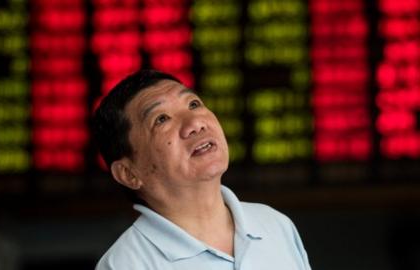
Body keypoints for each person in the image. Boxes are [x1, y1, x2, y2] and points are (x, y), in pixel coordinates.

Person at [92, 69, 312, 270]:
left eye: (194, 104)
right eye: (161, 119)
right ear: (128, 173)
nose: (195, 123)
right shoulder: (126, 264)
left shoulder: (274, 225)